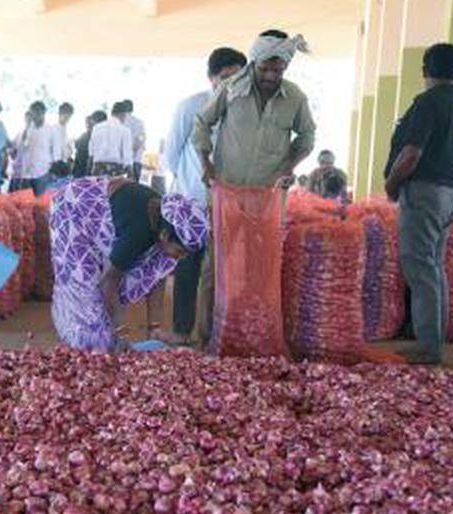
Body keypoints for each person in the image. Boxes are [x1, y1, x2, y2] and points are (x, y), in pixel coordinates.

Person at [194, 29, 317, 349]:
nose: (271, 76)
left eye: (278, 70)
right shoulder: (231, 89)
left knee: (260, 266)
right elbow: (202, 123)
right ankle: (205, 335)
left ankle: (251, 335)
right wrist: (205, 161)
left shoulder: (295, 98)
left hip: (268, 197)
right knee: (216, 264)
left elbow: (306, 138)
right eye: (265, 68)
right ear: (254, 63)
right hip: (227, 193)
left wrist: (288, 166)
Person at [383, 42, 453, 365]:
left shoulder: (426, 104)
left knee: (421, 270)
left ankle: (428, 349)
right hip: (449, 195)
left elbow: (411, 154)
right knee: (434, 268)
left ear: (424, 70)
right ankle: (433, 342)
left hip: (423, 193)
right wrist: (447, 183)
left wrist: (392, 185)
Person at [49, 176, 209, 352]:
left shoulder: (165, 221)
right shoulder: (138, 232)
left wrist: (154, 328)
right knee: (86, 298)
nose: (182, 257)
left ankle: (100, 345)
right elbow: (108, 283)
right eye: (180, 251)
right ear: (164, 236)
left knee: (160, 262)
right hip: (73, 210)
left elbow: (158, 278)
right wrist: (120, 332)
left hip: (109, 215)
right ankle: (80, 347)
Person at [164, 47, 247, 345]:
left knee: (222, 271)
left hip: (230, 203)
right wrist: (190, 185)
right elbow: (171, 154)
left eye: (238, 77)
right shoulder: (191, 105)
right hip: (192, 201)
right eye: (225, 77)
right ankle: (181, 330)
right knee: (189, 267)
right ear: (211, 78)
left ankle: (215, 332)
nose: (231, 83)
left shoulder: (245, 111)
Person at [89, 102, 133, 177]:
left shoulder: (96, 128)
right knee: (113, 188)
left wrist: (90, 169)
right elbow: (127, 155)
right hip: (115, 169)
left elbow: (91, 152)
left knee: (99, 188)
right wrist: (130, 173)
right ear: (123, 115)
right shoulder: (125, 130)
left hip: (98, 168)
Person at [20, 101, 52, 195]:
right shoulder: (29, 128)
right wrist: (26, 126)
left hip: (42, 172)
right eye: (32, 112)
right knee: (25, 203)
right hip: (27, 172)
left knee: (40, 204)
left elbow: (54, 152)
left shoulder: (50, 130)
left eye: (36, 112)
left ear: (43, 113)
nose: (33, 115)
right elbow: (22, 145)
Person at [73, 111, 105, 178]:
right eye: (87, 123)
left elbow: (76, 145)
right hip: (83, 169)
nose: (87, 125)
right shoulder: (87, 135)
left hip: (84, 169)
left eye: (89, 123)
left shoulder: (91, 134)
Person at [122, 99, 146, 182]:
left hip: (122, 161)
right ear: (132, 109)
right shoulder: (139, 122)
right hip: (136, 160)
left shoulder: (120, 122)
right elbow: (140, 139)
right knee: (134, 187)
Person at [49, 102, 75, 168]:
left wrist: (69, 150)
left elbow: (68, 149)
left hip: (63, 164)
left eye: (69, 116)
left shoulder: (67, 131)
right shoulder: (52, 128)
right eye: (66, 115)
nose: (68, 118)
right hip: (52, 165)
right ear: (60, 113)